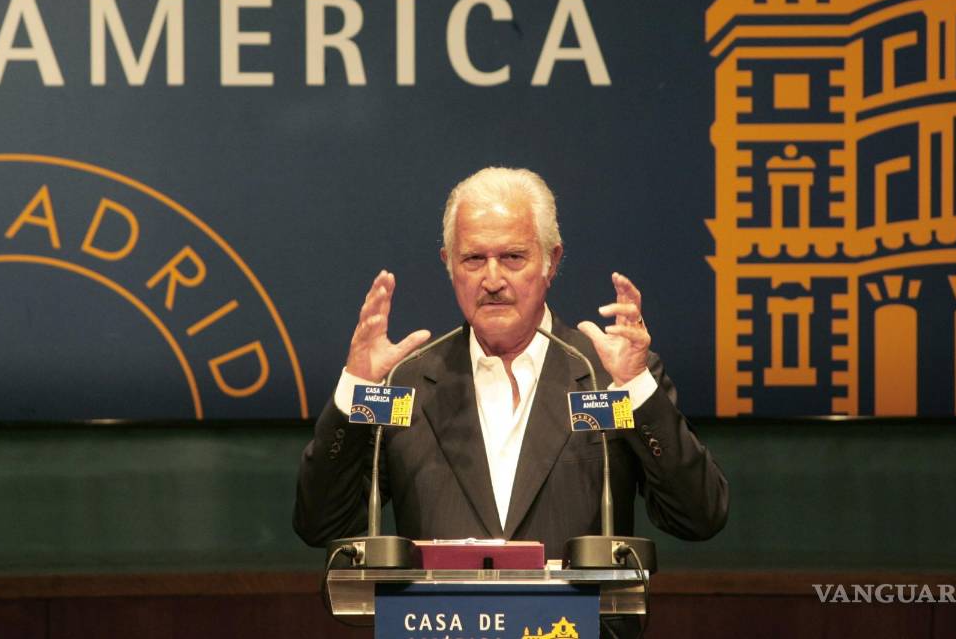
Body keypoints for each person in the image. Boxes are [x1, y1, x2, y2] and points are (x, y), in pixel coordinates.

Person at [294, 166, 728, 561]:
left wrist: (635, 387)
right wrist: (355, 390)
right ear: (449, 266)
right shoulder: (405, 382)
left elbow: (698, 517)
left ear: (551, 262)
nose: (493, 280)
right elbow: (322, 525)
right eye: (473, 259)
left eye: (513, 258)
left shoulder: (607, 375)